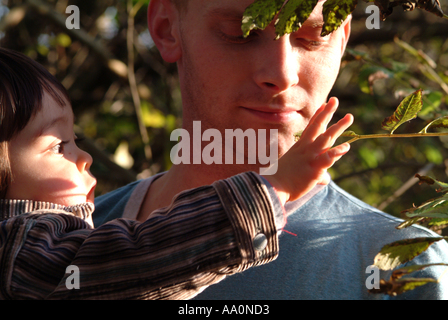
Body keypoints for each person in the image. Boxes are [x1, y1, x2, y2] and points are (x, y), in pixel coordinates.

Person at [93, 0, 448, 299]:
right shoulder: (65, 241)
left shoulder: (406, 264)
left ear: (341, 40)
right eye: (241, 33)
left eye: (312, 38)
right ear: (168, 28)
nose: (282, 73)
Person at [0, 46, 352, 300]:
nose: (85, 157)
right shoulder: (24, 251)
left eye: (74, 139)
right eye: (59, 146)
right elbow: (143, 259)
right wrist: (272, 188)